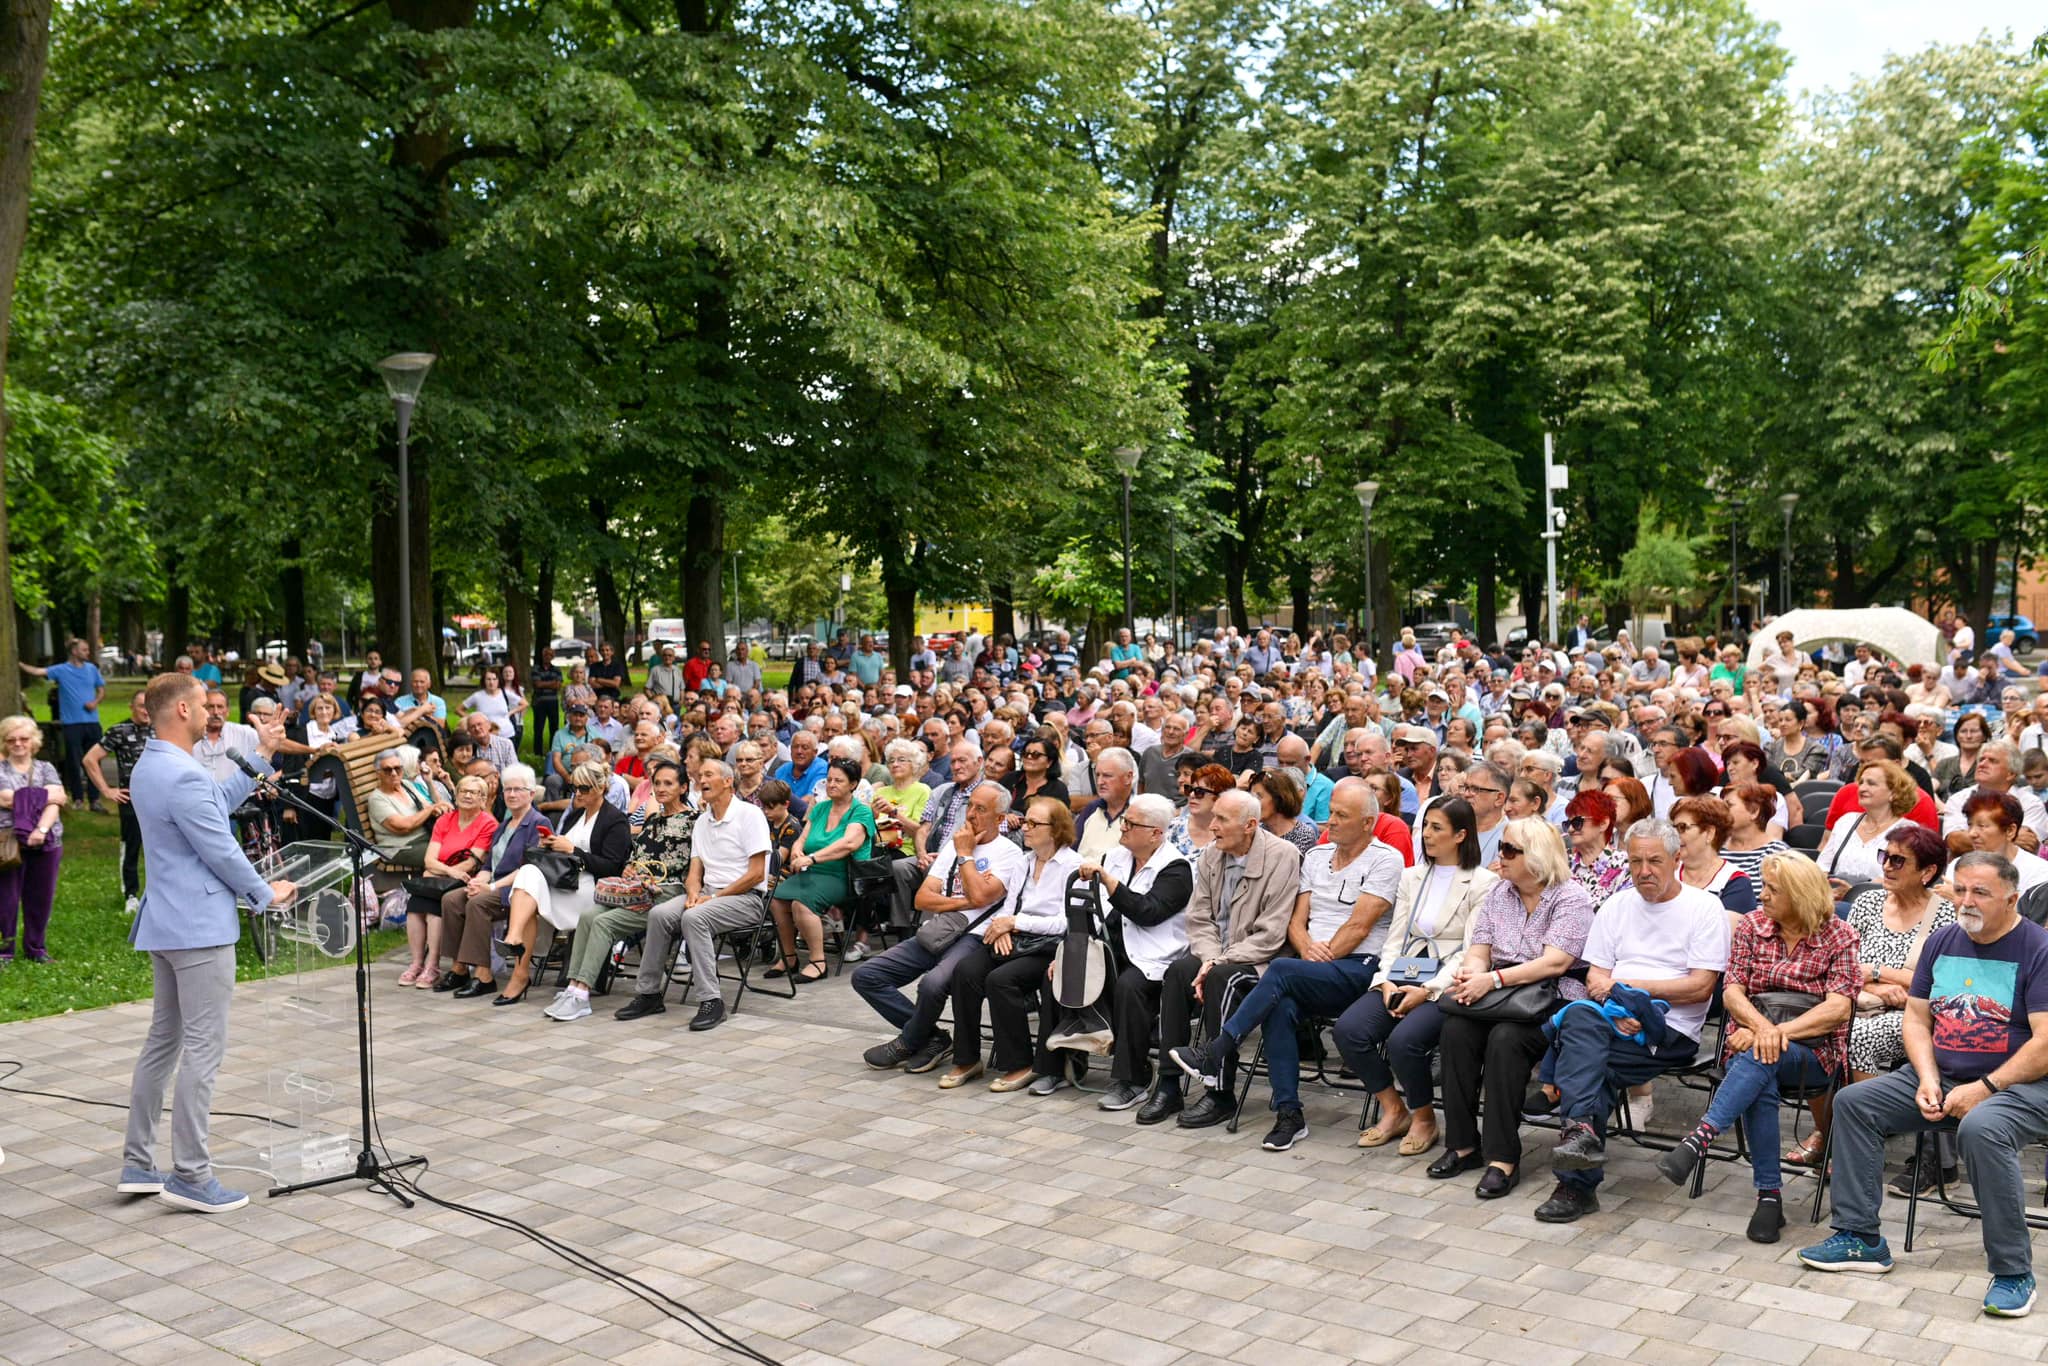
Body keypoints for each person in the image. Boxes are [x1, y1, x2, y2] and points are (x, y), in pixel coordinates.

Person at [1798, 852, 2048, 1318]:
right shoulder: (1943, 940)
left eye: (1981, 892)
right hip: (1944, 1074)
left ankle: (2014, 1271)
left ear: (2012, 899)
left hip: (2023, 1084)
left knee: (1982, 1128)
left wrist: (1984, 1088)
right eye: (1960, 890)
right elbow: (1916, 1018)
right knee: (1855, 1103)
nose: (1966, 901)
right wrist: (1927, 1079)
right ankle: (1861, 1237)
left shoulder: (2038, 948)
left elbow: (2045, 1046)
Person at [119, 672, 295, 1213]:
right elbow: (221, 847)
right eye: (201, 706)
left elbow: (212, 803)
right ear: (179, 712)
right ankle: (192, 1175)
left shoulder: (154, 763)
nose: (210, 714)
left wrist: (262, 755)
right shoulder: (182, 772)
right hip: (197, 926)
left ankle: (138, 1161)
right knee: (201, 1048)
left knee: (164, 1041)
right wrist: (265, 892)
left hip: (168, 922)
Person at [1168, 778, 1401, 1150]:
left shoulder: (1386, 859)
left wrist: (1320, 956)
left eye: (1342, 816)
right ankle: (1290, 1115)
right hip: (1313, 967)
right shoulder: (1317, 857)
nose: (1330, 822)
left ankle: (1217, 1051)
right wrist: (1308, 950)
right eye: (1331, 814)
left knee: (1280, 970)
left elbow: (1360, 925)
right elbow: (1296, 918)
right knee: (1281, 1005)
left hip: (1360, 966)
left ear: (1368, 822)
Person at [1533, 819, 1730, 1223]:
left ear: (1678, 858)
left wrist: (1631, 992)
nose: (1644, 871)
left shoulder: (1704, 908)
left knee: (1581, 1047)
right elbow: (1593, 977)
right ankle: (1581, 1146)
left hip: (1670, 1031)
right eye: (1635, 860)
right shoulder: (1618, 905)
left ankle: (1576, 1176)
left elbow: (1700, 987)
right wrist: (1618, 1004)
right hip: (1610, 1022)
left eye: (1655, 861)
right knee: (1590, 1043)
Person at [1655, 854, 1859, 1242]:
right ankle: (1769, 1198)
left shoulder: (1839, 936)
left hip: (1813, 1054)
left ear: (1799, 895)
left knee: (1761, 1055)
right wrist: (1764, 1029)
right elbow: (1732, 991)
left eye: (1772, 890)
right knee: (1759, 1069)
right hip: (1754, 1041)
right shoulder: (1752, 926)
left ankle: (1703, 1140)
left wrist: (1773, 1033)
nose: (1761, 895)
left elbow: (1838, 1008)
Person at [1432, 818, 1594, 1196]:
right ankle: (1463, 1145)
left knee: (1506, 1040)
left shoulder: (1571, 898)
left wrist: (1492, 980)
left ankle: (1503, 1158)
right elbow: (1478, 951)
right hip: (1501, 993)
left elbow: (1555, 963)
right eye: (1500, 847)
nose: (1499, 856)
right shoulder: (1500, 893)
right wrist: (1470, 975)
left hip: (1552, 997)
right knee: (1455, 1029)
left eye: (1509, 850)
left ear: (1536, 857)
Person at [1338, 796, 1497, 1155]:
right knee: (1350, 1031)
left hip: (1446, 981)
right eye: (1424, 825)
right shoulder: (1412, 877)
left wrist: (1426, 990)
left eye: (1436, 827)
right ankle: (1394, 1109)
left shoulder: (1481, 883)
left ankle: (1424, 1117)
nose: (1426, 834)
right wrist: (1385, 981)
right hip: (1403, 970)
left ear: (1460, 835)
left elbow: (1471, 951)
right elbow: (1396, 937)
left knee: (1403, 1042)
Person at [1141, 789, 1300, 1129]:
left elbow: (1271, 934)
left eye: (1222, 820)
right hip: (1213, 955)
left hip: (1259, 961)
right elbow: (1198, 919)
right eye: (1213, 817)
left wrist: (1218, 962)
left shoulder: (1282, 855)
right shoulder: (1211, 856)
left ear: (1251, 825)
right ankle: (1169, 1084)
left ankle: (1220, 1090)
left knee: (1220, 978)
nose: (1211, 826)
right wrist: (1210, 958)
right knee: (1177, 973)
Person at [855, 784, 1025, 1074]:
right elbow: (923, 898)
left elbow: (983, 898)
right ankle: (932, 1036)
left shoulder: (1008, 852)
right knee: (866, 976)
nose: (970, 814)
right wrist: (964, 900)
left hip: (975, 936)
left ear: (1000, 818)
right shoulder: (955, 844)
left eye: (981, 809)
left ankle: (907, 1042)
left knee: (933, 984)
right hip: (941, 928)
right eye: (970, 805)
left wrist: (965, 856)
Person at [610, 759, 773, 1031]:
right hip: (709, 895)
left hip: (746, 898)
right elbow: (694, 871)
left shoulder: (749, 814)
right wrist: (693, 894)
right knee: (660, 914)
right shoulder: (703, 822)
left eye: (709, 775)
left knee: (694, 919)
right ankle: (649, 993)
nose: (702, 781)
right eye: (700, 776)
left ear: (728, 781)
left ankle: (712, 1001)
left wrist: (714, 898)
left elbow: (757, 874)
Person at [941, 797, 1083, 1091]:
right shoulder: (1025, 861)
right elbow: (1009, 906)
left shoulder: (1073, 865)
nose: (1025, 828)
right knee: (965, 971)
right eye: (1026, 821)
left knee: (1001, 980)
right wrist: (1002, 926)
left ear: (1056, 830)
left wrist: (1016, 923)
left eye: (1034, 824)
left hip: (1050, 946)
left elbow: (1066, 922)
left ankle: (1020, 1063)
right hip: (1015, 938)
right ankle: (967, 1059)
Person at [540, 759, 698, 1022]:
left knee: (603, 923)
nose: (660, 788)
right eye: (657, 783)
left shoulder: (694, 820)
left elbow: (697, 863)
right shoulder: (654, 820)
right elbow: (635, 858)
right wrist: (629, 869)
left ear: (683, 787)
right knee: (588, 916)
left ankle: (582, 994)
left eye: (668, 783)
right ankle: (572, 987)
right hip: (636, 890)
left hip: (667, 892)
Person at [1081, 793, 1193, 1111]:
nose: (1123, 827)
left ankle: (1133, 1079)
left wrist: (1110, 882)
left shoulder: (1176, 869)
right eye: (1124, 820)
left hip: (1152, 955)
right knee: (1065, 968)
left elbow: (1147, 912)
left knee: (1130, 986)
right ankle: (1058, 1064)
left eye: (1131, 823)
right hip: (1113, 945)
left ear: (1156, 832)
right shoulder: (1116, 856)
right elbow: (1094, 911)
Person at [493, 760, 634, 1005]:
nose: (578, 794)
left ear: (601, 788)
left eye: (584, 789)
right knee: (527, 874)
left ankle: (516, 955)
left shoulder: (615, 820)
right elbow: (564, 852)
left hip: (590, 887)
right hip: (564, 882)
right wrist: (551, 844)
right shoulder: (576, 815)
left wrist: (573, 850)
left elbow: (613, 867)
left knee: (529, 897)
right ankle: (517, 954)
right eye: (574, 788)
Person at [432, 764, 548, 999]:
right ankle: (460, 967)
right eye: (508, 790)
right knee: (452, 899)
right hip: (493, 884)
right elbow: (488, 867)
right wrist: (477, 882)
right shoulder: (504, 825)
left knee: (478, 903)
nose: (512, 795)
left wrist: (491, 886)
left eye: (518, 789)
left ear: (531, 794)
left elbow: (530, 869)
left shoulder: (537, 822)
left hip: (518, 890)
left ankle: (483, 975)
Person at [764, 757, 876, 984]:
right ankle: (789, 956)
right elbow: (802, 838)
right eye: (829, 780)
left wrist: (812, 858)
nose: (832, 784)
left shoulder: (861, 811)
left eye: (839, 780)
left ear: (853, 784)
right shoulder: (821, 807)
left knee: (801, 903)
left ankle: (818, 961)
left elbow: (848, 844)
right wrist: (796, 850)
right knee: (776, 899)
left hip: (843, 875)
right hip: (812, 872)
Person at [0, 714, 69, 963]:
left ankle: (36, 948)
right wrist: (46, 796)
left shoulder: (46, 768)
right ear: (5, 743)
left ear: (33, 741)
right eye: (11, 740)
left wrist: (40, 830)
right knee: (5, 899)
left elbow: (58, 801)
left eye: (23, 739)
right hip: (7, 843)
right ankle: (4, 950)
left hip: (47, 842)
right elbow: (7, 799)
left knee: (41, 898)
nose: (18, 744)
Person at [19, 638, 107, 811]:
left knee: (95, 761)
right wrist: (18, 663)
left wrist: (96, 702)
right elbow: (37, 671)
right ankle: (78, 799)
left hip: (92, 723)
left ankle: (95, 799)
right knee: (74, 762)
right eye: (84, 650)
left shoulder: (92, 669)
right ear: (74, 651)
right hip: (71, 724)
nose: (87, 652)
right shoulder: (61, 670)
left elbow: (101, 690)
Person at [87, 690, 153, 915]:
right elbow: (90, 759)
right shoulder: (119, 731)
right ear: (131, 707)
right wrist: (106, 790)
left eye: (150, 706)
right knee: (131, 846)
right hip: (131, 799)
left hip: (162, 799)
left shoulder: (163, 729)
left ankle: (159, 893)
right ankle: (131, 895)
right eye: (142, 705)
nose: (146, 710)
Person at [1820, 761, 1919, 900]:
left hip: (1881, 903)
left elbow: (1901, 878)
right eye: (1861, 783)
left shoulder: (1908, 831)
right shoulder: (1846, 821)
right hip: (1833, 899)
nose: (1862, 788)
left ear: (1894, 793)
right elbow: (1822, 867)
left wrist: (1854, 893)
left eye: (1871, 784)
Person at [1672, 795, 1757, 918]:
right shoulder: (1666, 872)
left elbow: (1724, 932)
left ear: (1709, 833)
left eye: (1682, 827)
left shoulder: (1735, 881)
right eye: (1673, 828)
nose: (1674, 835)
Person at [1956, 790, 2048, 895]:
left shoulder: (2040, 873)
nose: (1972, 833)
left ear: (2010, 831)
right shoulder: (1958, 866)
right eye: (1970, 825)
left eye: (1982, 826)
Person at [1564, 789, 1630, 907]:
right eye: (1567, 824)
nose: (1570, 829)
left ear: (1603, 823)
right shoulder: (1562, 865)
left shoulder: (1625, 865)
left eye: (1577, 822)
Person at [1721, 783, 1791, 885]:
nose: (1721, 811)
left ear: (1754, 812)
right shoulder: (1714, 848)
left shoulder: (1777, 853)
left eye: (1729, 805)